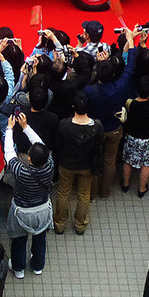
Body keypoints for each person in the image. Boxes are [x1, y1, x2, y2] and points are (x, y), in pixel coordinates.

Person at [4, 113, 53, 277]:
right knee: (40, 238)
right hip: (42, 210)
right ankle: (38, 266)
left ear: (29, 158)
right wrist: (26, 127)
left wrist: (10, 129)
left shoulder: (21, 171)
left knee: (18, 239)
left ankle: (18, 269)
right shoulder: (50, 165)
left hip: (21, 212)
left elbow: (9, 152)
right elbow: (40, 144)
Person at [53, 92, 103, 235]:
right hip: (87, 166)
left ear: (73, 106)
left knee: (63, 193)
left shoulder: (64, 125)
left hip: (67, 164)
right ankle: (80, 225)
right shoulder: (97, 126)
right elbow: (99, 146)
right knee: (84, 194)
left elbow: (58, 145)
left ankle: (60, 224)